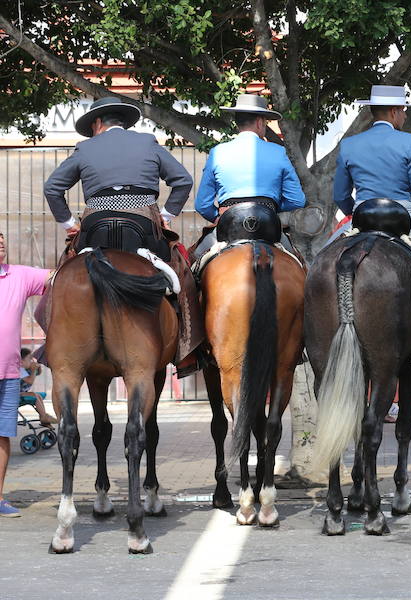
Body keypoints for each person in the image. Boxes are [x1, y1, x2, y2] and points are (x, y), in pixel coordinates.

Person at [42, 96, 202, 374]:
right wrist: (165, 216)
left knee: (61, 276)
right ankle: (187, 352)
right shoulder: (148, 142)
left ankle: (54, 345)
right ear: (122, 123)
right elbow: (183, 180)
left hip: (95, 227)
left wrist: (69, 224)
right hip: (142, 225)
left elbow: (52, 188)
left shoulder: (84, 148)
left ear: (97, 123)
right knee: (181, 271)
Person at [331, 84, 411, 368]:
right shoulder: (409, 142)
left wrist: (354, 214)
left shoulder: (349, 144)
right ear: (395, 111)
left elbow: (340, 195)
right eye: (404, 112)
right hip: (402, 221)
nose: (405, 117)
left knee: (315, 268)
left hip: (361, 218)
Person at [194, 94, 306, 257]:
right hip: (267, 223)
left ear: (237, 122)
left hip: (228, 223)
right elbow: (297, 200)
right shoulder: (278, 152)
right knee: (298, 263)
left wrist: (220, 216)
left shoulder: (217, 152)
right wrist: (269, 207)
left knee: (194, 261)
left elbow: (202, 205)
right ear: (260, 122)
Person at [0, 231, 53, 517]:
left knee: (3, 435)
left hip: (9, 374)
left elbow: (56, 278)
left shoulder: (18, 275)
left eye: (2, 240)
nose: (1, 244)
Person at [18, 348, 56, 427]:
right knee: (34, 396)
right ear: (21, 362)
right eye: (29, 359)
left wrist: (38, 367)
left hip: (21, 393)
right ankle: (44, 417)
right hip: (15, 395)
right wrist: (33, 370)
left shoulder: (26, 369)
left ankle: (43, 416)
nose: (32, 361)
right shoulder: (19, 370)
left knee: (38, 395)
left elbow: (39, 373)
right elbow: (30, 381)